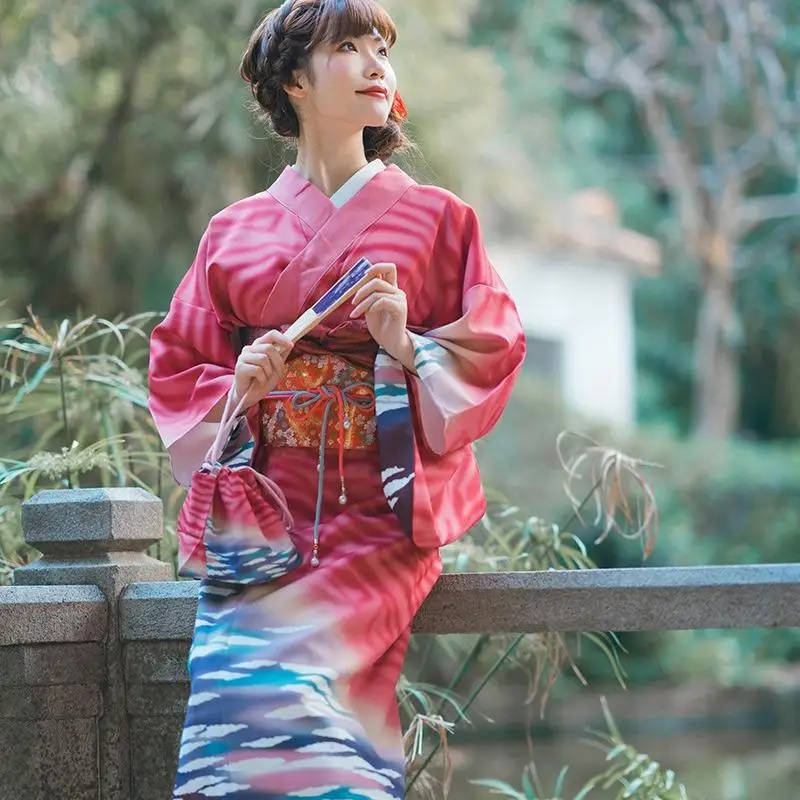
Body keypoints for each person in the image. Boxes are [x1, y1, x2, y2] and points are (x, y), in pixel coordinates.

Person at [148, 0, 526, 797]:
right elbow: (182, 365)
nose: (376, 64)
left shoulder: (439, 220)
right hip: (264, 519)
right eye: (349, 46)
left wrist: (407, 343)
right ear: (294, 78)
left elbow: (491, 349)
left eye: (382, 48)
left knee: (302, 693)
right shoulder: (233, 231)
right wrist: (242, 387)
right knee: (228, 699)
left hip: (380, 515)